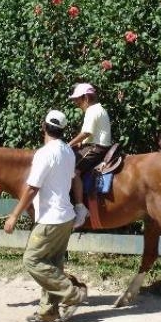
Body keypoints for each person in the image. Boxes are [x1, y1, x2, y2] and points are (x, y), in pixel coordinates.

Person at [3, 109, 87, 322]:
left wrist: (14, 215)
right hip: (65, 217)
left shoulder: (44, 153)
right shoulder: (68, 151)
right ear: (62, 130)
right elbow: (74, 178)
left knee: (32, 260)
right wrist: (79, 205)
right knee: (53, 264)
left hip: (50, 219)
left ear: (44, 126)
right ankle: (48, 311)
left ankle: (72, 292)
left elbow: (32, 188)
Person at [67, 83, 112, 228]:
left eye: (77, 100)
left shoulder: (92, 110)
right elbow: (93, 133)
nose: (76, 103)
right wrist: (81, 143)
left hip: (96, 148)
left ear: (86, 97)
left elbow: (86, 132)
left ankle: (80, 208)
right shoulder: (99, 109)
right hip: (95, 144)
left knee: (74, 172)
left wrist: (68, 145)